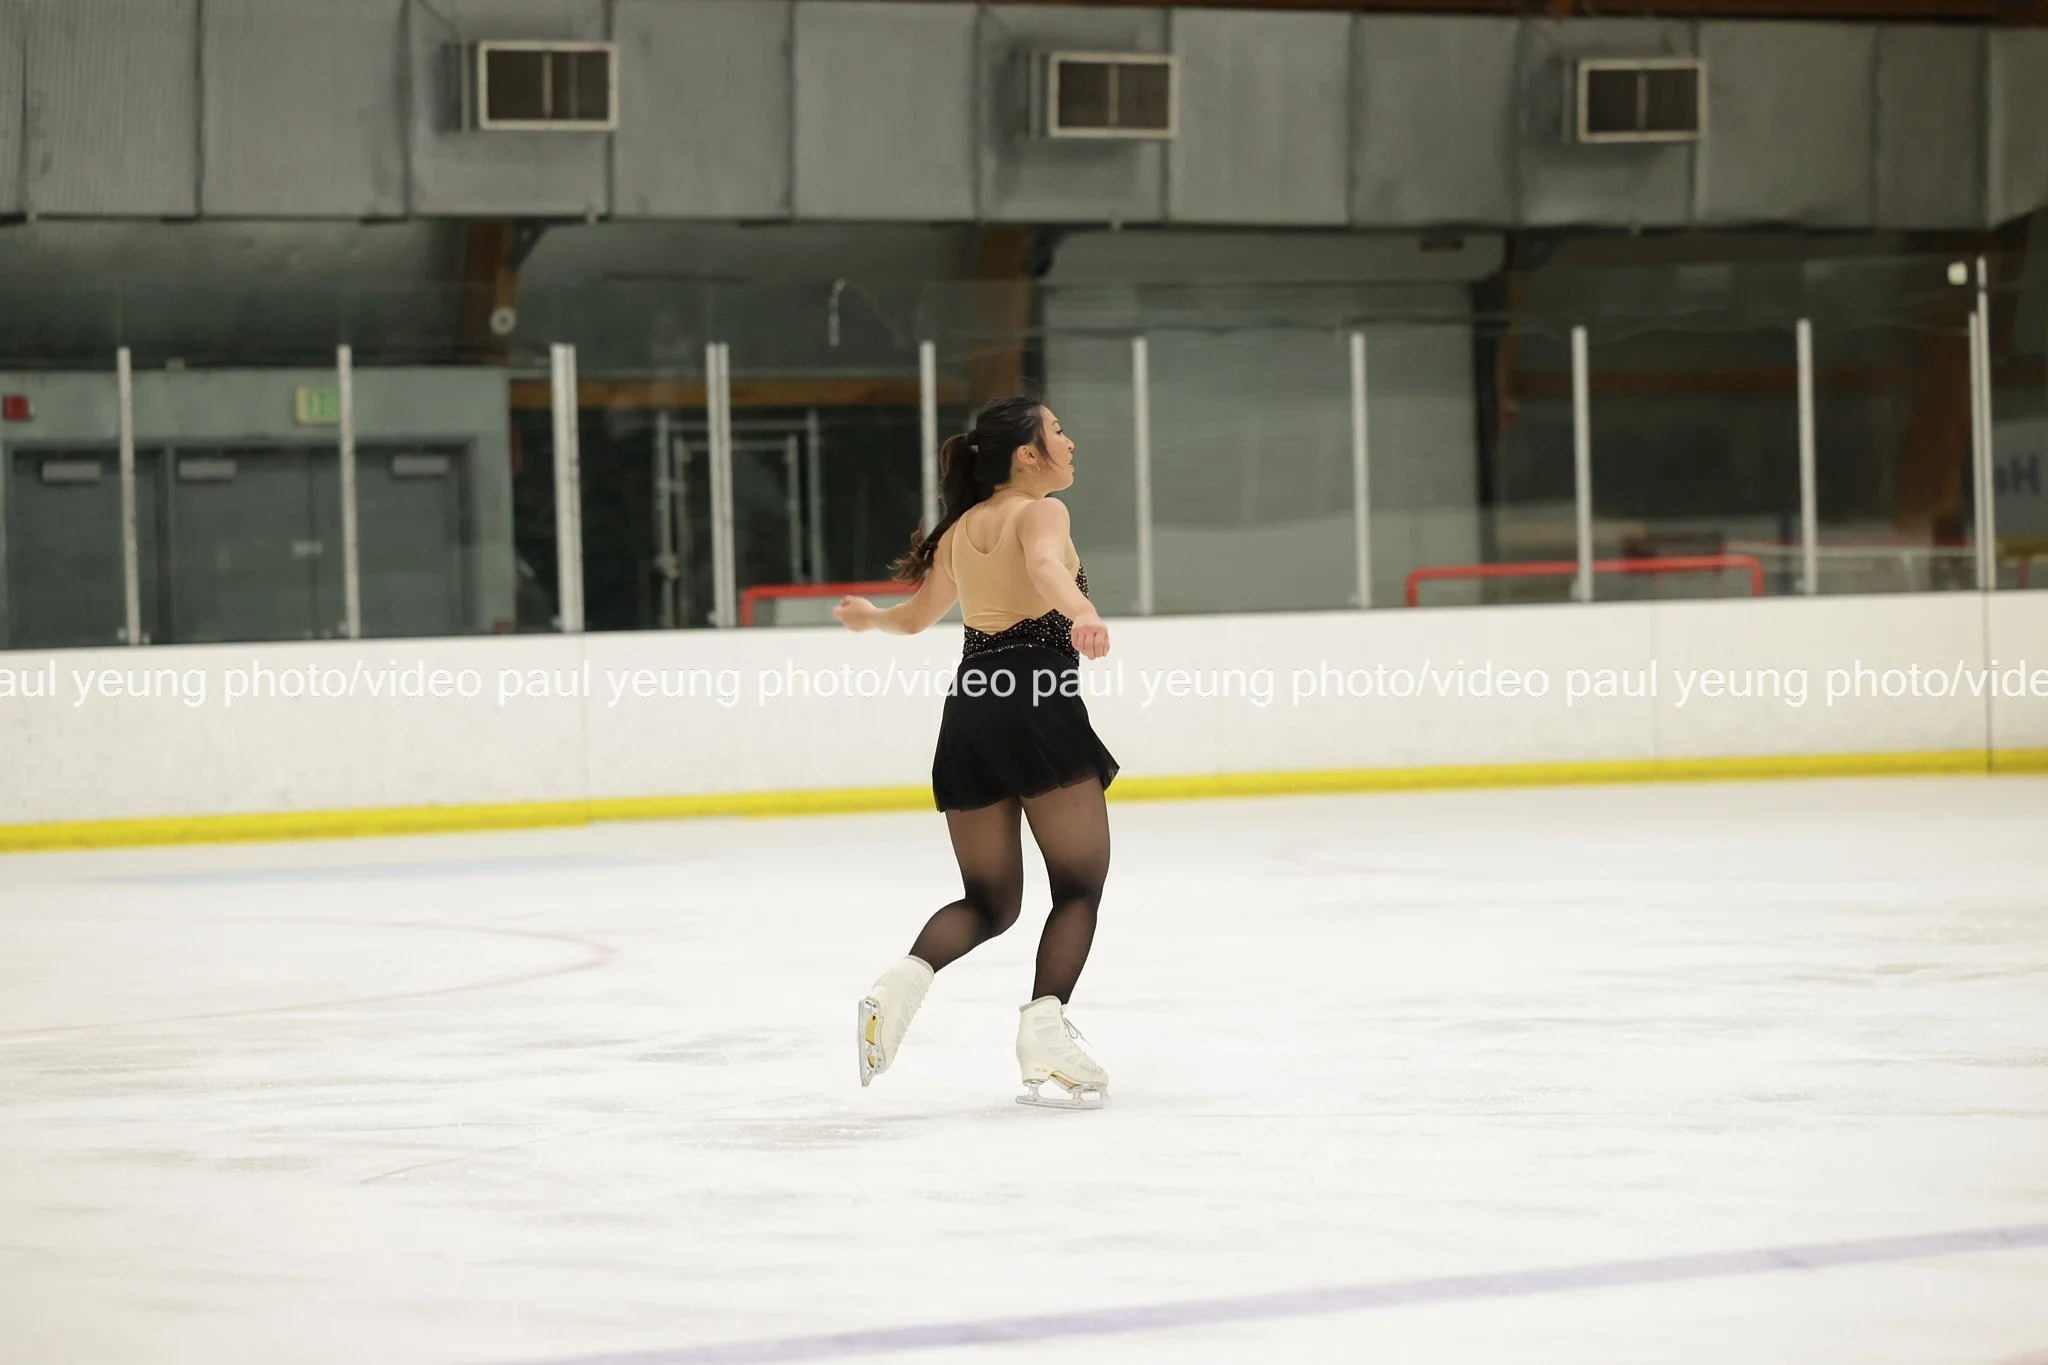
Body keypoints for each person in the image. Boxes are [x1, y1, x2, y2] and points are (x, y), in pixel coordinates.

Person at [833, 396, 1118, 1110]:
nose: (1070, 441)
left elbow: (913, 619)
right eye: (1058, 431)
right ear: (1027, 453)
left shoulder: (959, 531)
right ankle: (1045, 1032)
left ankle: (899, 984)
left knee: (988, 901)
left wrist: (868, 619)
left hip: (971, 707)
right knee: (1077, 886)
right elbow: (1046, 568)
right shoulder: (1040, 513)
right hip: (1036, 700)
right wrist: (1083, 612)